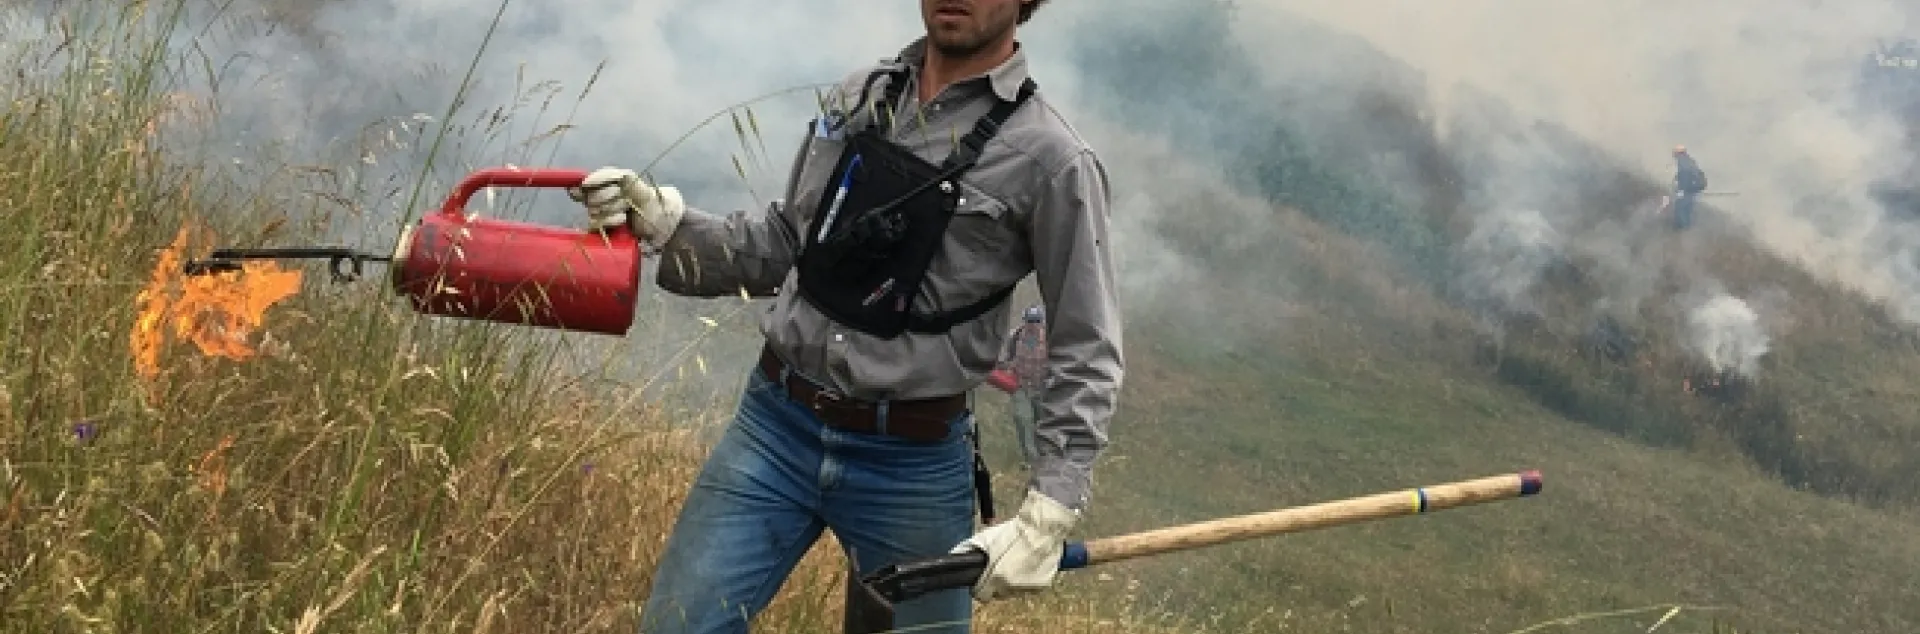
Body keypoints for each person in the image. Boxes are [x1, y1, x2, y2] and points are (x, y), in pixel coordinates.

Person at [566, 1, 1125, 632]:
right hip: (774, 427)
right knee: (677, 626)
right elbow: (788, 244)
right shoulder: (860, 96)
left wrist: (1051, 505)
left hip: (913, 464)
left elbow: (1086, 342)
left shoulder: (1051, 158)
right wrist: (668, 229)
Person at [995, 303, 1048, 467]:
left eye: (1037, 321)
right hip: (1021, 387)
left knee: (1043, 423)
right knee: (1023, 420)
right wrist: (1005, 367)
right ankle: (1032, 462)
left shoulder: (1050, 337)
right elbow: (1003, 360)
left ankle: (1046, 459)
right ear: (1024, 321)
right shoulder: (1015, 336)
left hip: (1043, 387)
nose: (1033, 325)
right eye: (1030, 321)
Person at [1670, 145, 1708, 230]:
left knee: (1680, 208)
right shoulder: (1690, 160)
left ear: (1677, 153)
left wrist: (1681, 190)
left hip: (1687, 190)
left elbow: (1685, 174)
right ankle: (1687, 227)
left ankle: (1683, 230)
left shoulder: (1682, 161)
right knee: (1687, 208)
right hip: (1694, 189)